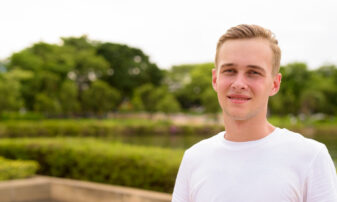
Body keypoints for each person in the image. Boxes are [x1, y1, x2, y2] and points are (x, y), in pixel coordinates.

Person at [172, 24, 337, 202]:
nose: (239, 83)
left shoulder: (311, 157)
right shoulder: (193, 158)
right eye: (230, 71)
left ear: (275, 84)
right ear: (215, 79)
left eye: (253, 72)